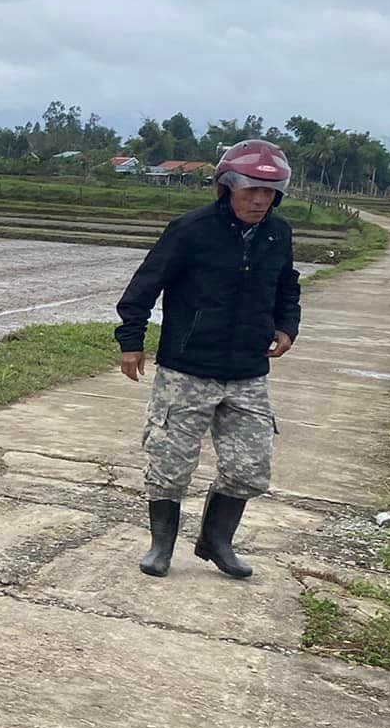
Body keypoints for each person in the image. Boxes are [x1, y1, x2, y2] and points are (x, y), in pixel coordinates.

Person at [115, 139, 302, 580]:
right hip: (187, 367)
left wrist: (287, 324)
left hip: (247, 371)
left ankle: (216, 542)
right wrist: (131, 340)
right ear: (226, 187)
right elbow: (144, 287)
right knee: (170, 462)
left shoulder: (279, 233)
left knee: (250, 466)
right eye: (250, 191)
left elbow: (287, 284)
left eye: (268, 192)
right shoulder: (191, 230)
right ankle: (161, 545)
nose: (259, 200)